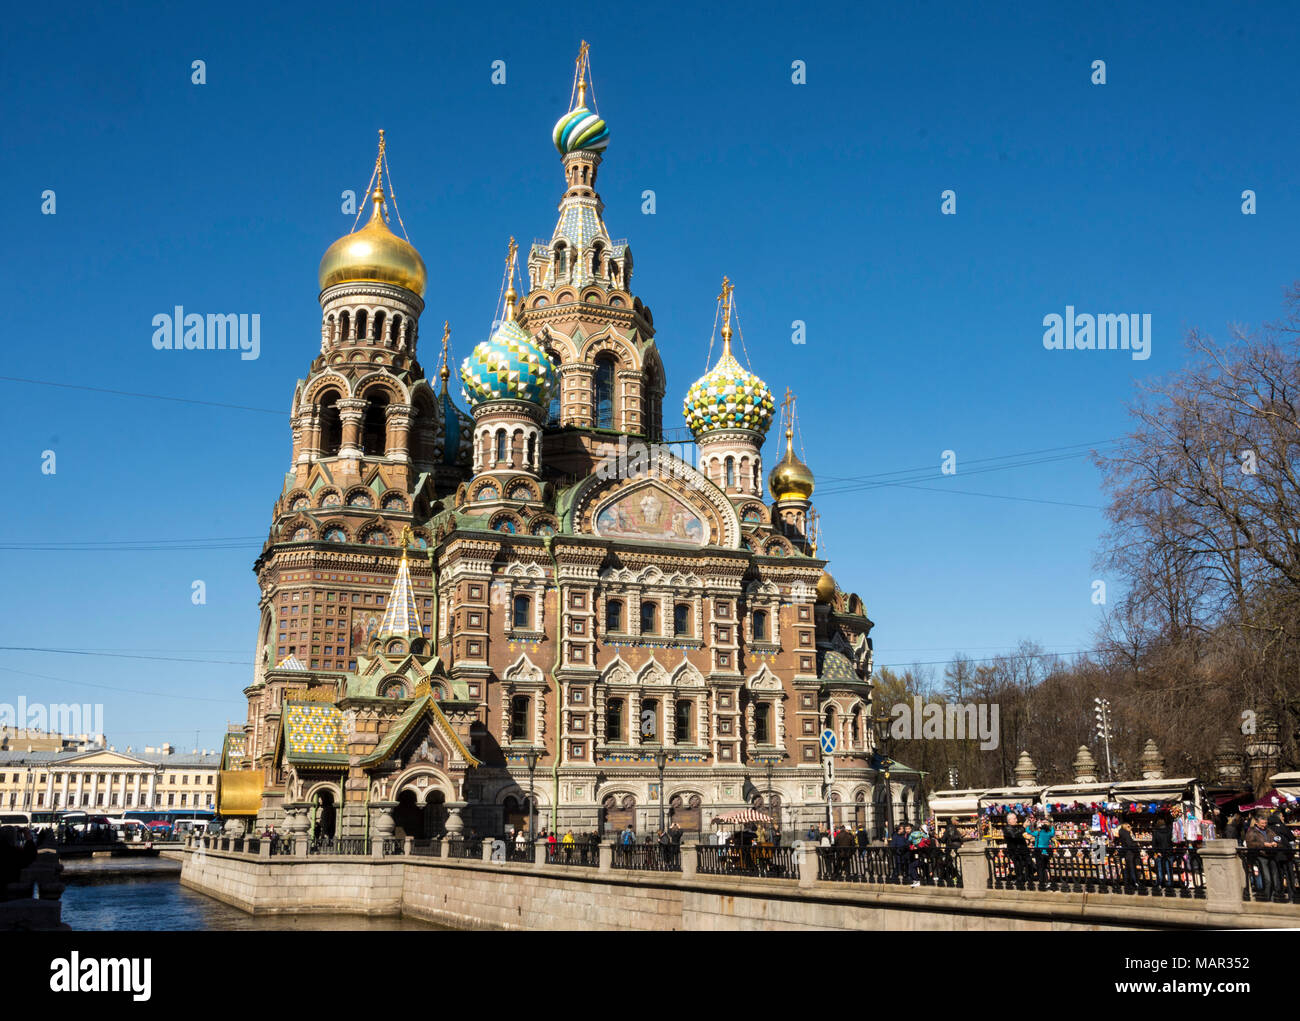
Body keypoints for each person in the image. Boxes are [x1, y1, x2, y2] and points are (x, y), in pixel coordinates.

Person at [1244, 811, 1280, 901]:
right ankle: (1266, 897)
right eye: (1262, 823)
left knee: (1275, 877)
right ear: (1257, 823)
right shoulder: (1252, 831)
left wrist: (1276, 843)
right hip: (1261, 856)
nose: (1264, 825)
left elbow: (1277, 837)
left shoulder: (1269, 830)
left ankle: (1275, 895)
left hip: (1271, 855)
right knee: (1267, 878)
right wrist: (1263, 844)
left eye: (1265, 823)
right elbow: (1250, 843)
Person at [1002, 813, 1030, 885]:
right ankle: (1020, 881)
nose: (1016, 820)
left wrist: (1026, 840)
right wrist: (1023, 827)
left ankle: (1023, 879)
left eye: (1016, 818)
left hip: (1022, 851)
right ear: (1009, 820)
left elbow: (1018, 836)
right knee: (1018, 867)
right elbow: (1014, 835)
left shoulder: (1016, 827)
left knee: (1029, 866)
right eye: (1014, 819)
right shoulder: (1007, 828)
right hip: (1015, 852)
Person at [1150, 814, 1174, 888]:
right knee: (1169, 868)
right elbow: (1172, 841)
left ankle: (1159, 882)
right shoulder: (1169, 831)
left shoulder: (1156, 832)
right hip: (1169, 851)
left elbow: (1154, 844)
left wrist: (1157, 852)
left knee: (1160, 869)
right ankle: (1170, 883)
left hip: (1160, 852)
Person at [1116, 822, 1141, 889]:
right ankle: (1134, 882)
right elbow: (1129, 843)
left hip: (1127, 852)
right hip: (1129, 852)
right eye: (1129, 826)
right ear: (1125, 827)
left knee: (1128, 868)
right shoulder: (1126, 834)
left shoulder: (1124, 833)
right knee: (1131, 868)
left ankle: (1127, 882)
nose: (1130, 828)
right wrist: (1136, 845)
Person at [1031, 817, 1055, 884]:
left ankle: (1042, 881)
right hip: (1046, 852)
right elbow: (1052, 832)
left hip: (1039, 852)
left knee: (1040, 867)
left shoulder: (1038, 833)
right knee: (1045, 867)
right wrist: (1052, 825)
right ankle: (1046, 880)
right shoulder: (1049, 833)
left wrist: (1031, 824)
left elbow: (1029, 831)